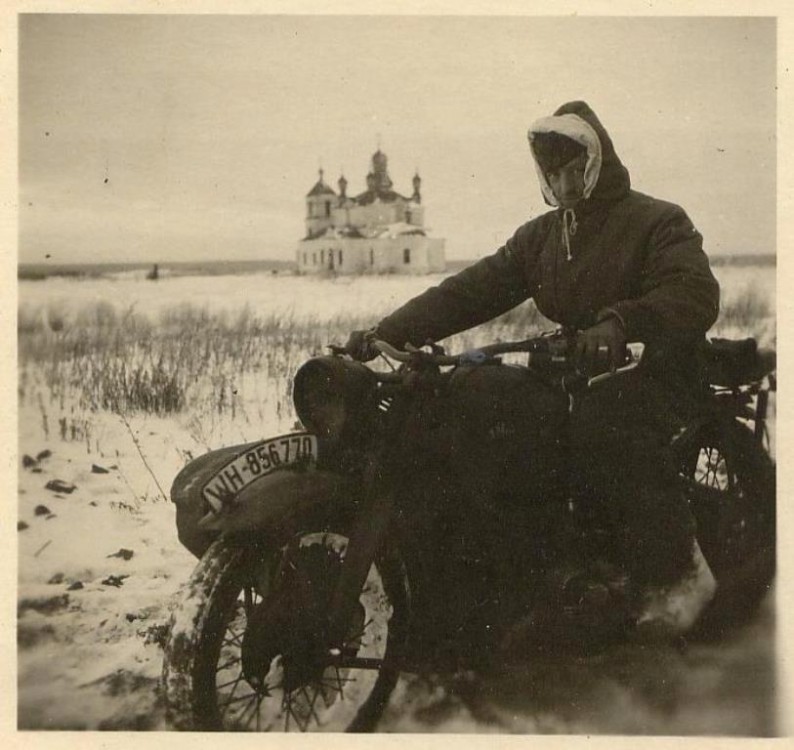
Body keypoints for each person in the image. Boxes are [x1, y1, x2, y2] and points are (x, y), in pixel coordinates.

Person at [345, 100, 721, 640]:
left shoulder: (656, 220)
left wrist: (621, 323)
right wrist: (393, 329)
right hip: (577, 370)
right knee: (482, 405)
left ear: (596, 164)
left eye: (575, 171)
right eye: (554, 174)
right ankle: (517, 567)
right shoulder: (543, 236)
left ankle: (680, 570)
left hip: (658, 369)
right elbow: (472, 290)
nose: (566, 185)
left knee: (602, 425)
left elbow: (694, 292)